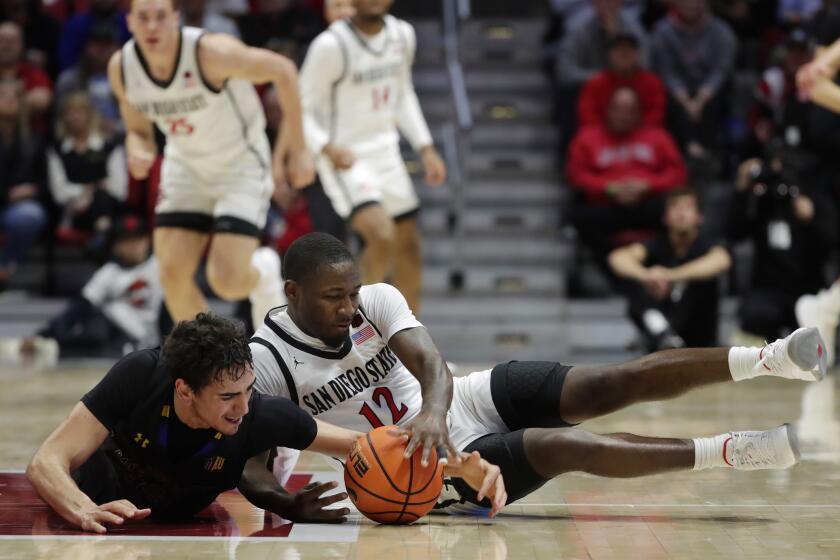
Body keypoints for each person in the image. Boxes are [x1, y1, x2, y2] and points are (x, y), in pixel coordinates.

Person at [243, 232, 827, 516]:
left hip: (450, 407)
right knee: (567, 444)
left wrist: (432, 412)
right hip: (415, 467)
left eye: (351, 293)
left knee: (606, 383)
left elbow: (430, 366)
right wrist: (283, 502)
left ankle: (772, 359)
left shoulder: (375, 299)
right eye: (332, 298)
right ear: (292, 293)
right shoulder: (266, 360)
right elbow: (249, 459)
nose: (348, 308)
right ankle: (733, 450)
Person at [26, 312, 505, 534]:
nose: (243, 406)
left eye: (249, 389)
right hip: (97, 519)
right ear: (185, 391)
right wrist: (80, 508)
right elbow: (47, 460)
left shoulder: (260, 415)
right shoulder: (141, 376)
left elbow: (370, 448)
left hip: (183, 530)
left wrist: (454, 468)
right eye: (228, 396)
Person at [109, 0, 316, 328]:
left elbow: (284, 70)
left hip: (240, 164)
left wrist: (299, 149)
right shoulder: (122, 67)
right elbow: (138, 131)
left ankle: (262, 269)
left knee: (228, 281)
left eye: (160, 17)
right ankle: (212, 364)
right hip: (186, 166)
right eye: (143, 18)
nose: (151, 27)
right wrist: (138, 150)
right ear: (130, 22)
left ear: (176, 18)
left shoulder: (211, 53)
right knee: (172, 273)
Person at [299, 0, 447, 314]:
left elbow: (403, 93)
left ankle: (406, 342)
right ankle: (356, 332)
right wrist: (326, 146)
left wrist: (425, 147)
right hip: (345, 157)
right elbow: (302, 106)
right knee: (380, 234)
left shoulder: (403, 34)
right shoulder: (331, 44)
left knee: (408, 247)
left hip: (387, 153)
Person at [0, 215, 161, 367]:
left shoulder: (161, 267)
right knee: (92, 322)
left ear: (148, 240)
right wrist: (44, 333)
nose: (134, 245)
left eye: (139, 239)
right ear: (116, 246)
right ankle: (42, 342)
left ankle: (46, 346)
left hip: (146, 337)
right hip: (115, 333)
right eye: (127, 240)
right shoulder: (109, 272)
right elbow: (79, 307)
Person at [608, 187, 731, 352]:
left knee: (698, 283)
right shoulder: (658, 244)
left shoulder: (707, 244)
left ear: (699, 217)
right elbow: (618, 258)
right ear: (665, 218)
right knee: (638, 286)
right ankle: (663, 334)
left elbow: (721, 260)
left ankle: (663, 333)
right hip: (661, 348)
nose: (681, 213)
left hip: (699, 342)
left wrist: (670, 276)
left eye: (687, 207)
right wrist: (647, 276)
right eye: (674, 207)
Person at [0, 79, 47, 290]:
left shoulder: (34, 141)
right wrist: (7, 195)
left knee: (31, 215)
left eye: (15, 97)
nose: (10, 101)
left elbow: (46, 181)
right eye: (4, 96)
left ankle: (6, 264)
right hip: (7, 199)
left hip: (19, 207)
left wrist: (34, 189)